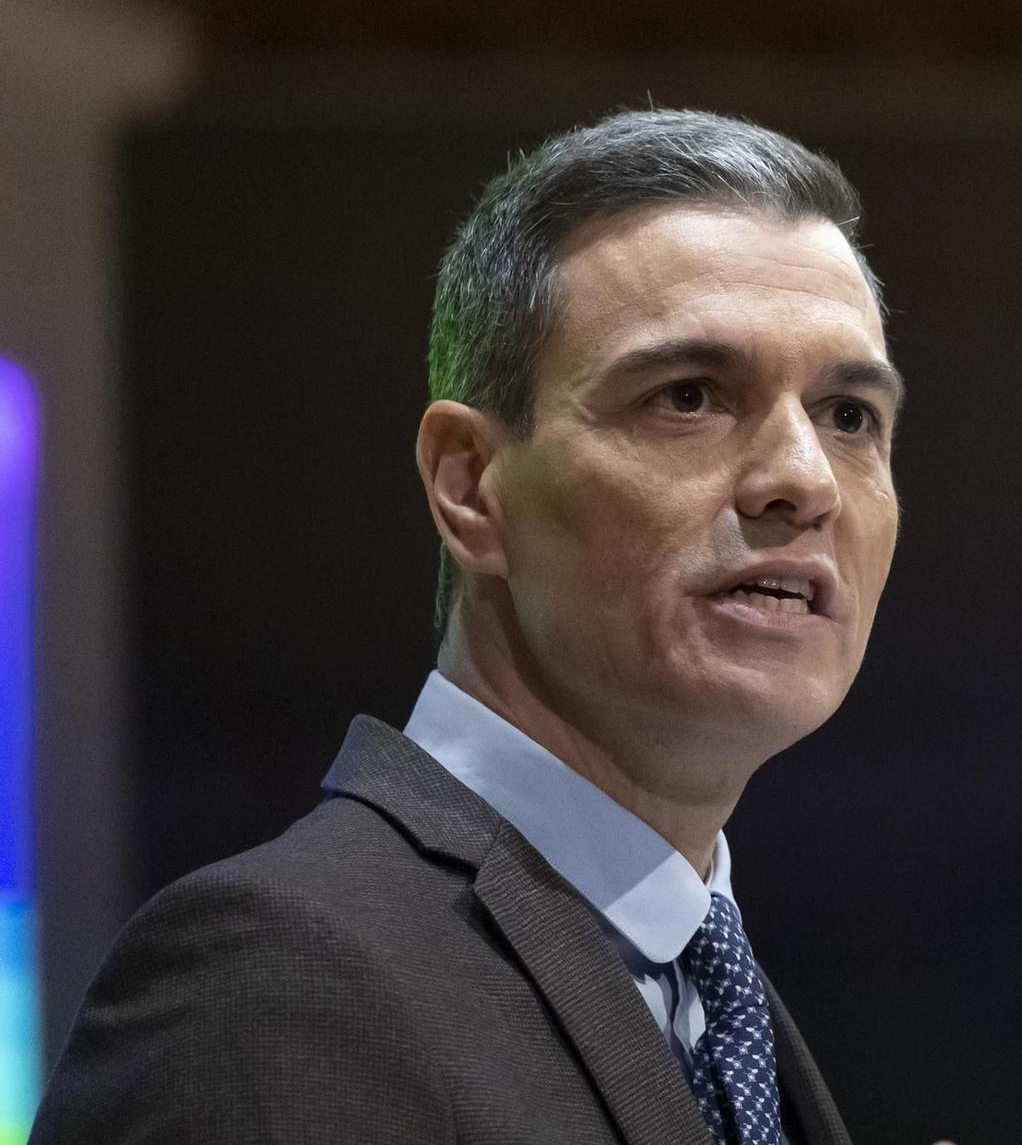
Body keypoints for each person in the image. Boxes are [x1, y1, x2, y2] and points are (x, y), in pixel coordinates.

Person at [31, 108, 905, 1144]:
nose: (803, 481)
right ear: (471, 486)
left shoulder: (714, 996)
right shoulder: (275, 980)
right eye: (689, 396)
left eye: (849, 416)